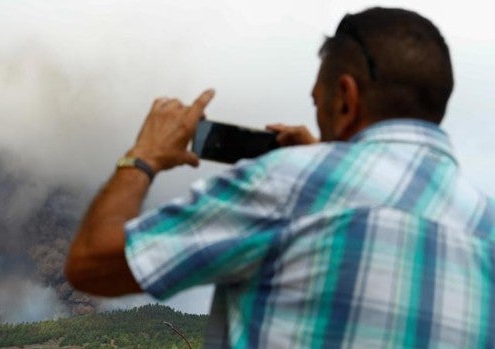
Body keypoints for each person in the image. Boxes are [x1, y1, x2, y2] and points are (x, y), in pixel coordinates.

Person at [65, 7, 495, 348]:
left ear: (345, 99)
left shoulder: (289, 182)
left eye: (320, 104)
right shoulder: (485, 226)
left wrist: (143, 157)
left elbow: (92, 264)